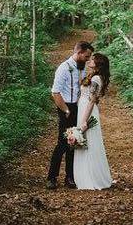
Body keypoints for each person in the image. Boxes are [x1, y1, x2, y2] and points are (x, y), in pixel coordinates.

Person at [46, 40, 94, 189]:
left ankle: (70, 177)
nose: (87, 60)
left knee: (74, 143)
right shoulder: (63, 68)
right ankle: (52, 178)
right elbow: (55, 93)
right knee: (62, 143)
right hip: (65, 108)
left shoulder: (81, 68)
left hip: (77, 108)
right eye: (86, 56)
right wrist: (66, 110)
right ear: (78, 53)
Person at [74, 52, 113, 190]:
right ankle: (83, 175)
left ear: (98, 64)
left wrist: (84, 120)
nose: (90, 60)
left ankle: (91, 177)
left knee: (89, 142)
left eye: (93, 59)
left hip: (88, 111)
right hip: (82, 108)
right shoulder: (92, 75)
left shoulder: (96, 78)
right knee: (84, 141)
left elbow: (91, 101)